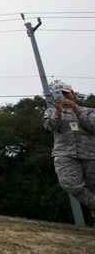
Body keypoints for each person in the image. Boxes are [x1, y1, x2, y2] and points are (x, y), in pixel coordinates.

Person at [43, 81, 95, 221]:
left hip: (90, 154)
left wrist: (77, 111)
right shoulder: (50, 112)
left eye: (66, 93)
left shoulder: (89, 111)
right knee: (69, 184)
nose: (63, 96)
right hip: (65, 154)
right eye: (59, 94)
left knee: (93, 188)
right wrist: (58, 111)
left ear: (73, 94)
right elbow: (50, 126)